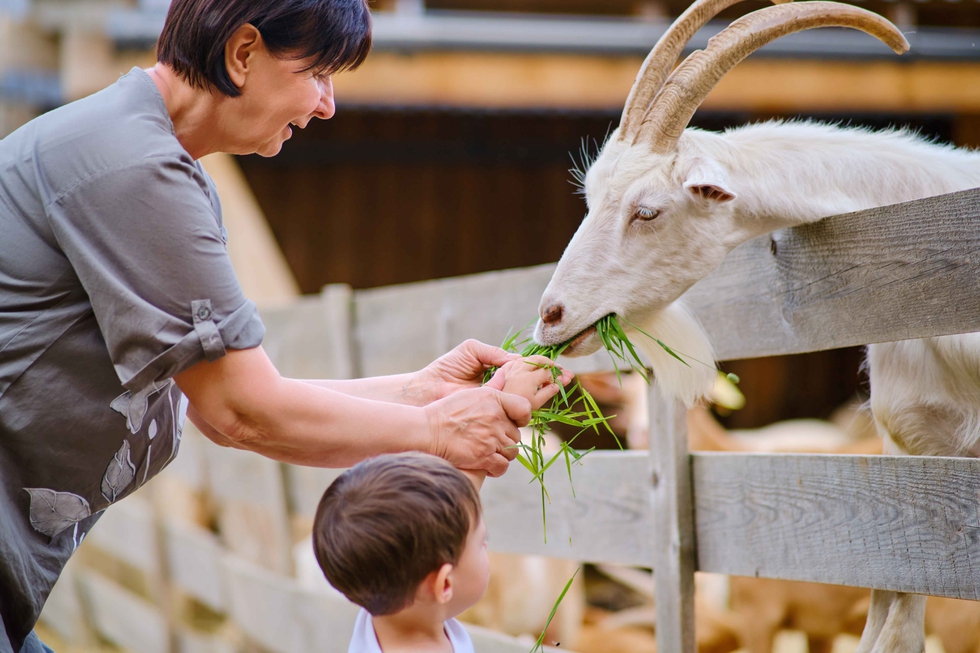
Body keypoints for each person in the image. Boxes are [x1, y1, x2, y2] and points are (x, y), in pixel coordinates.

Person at [0, 1, 572, 650]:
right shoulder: (130, 165)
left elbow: (231, 393)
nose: (327, 105)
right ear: (244, 54)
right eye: (318, 73)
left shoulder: (155, 163)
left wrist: (421, 392)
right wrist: (440, 431)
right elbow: (242, 410)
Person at [313, 357, 558, 653]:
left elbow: (458, 503)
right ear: (444, 585)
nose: (486, 545)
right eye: (483, 543)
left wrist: (506, 404)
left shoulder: (382, 601)